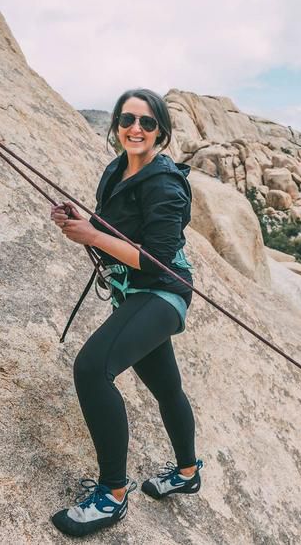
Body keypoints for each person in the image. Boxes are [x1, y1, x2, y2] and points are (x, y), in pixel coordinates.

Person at [49, 89, 202, 538]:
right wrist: (83, 223)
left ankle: (113, 494)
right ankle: (188, 472)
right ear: (116, 124)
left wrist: (91, 238)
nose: (136, 128)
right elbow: (111, 226)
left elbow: (156, 256)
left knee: (92, 370)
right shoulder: (117, 169)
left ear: (162, 132)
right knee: (166, 386)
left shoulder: (165, 184)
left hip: (160, 293)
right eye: (128, 119)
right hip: (133, 292)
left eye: (147, 122)